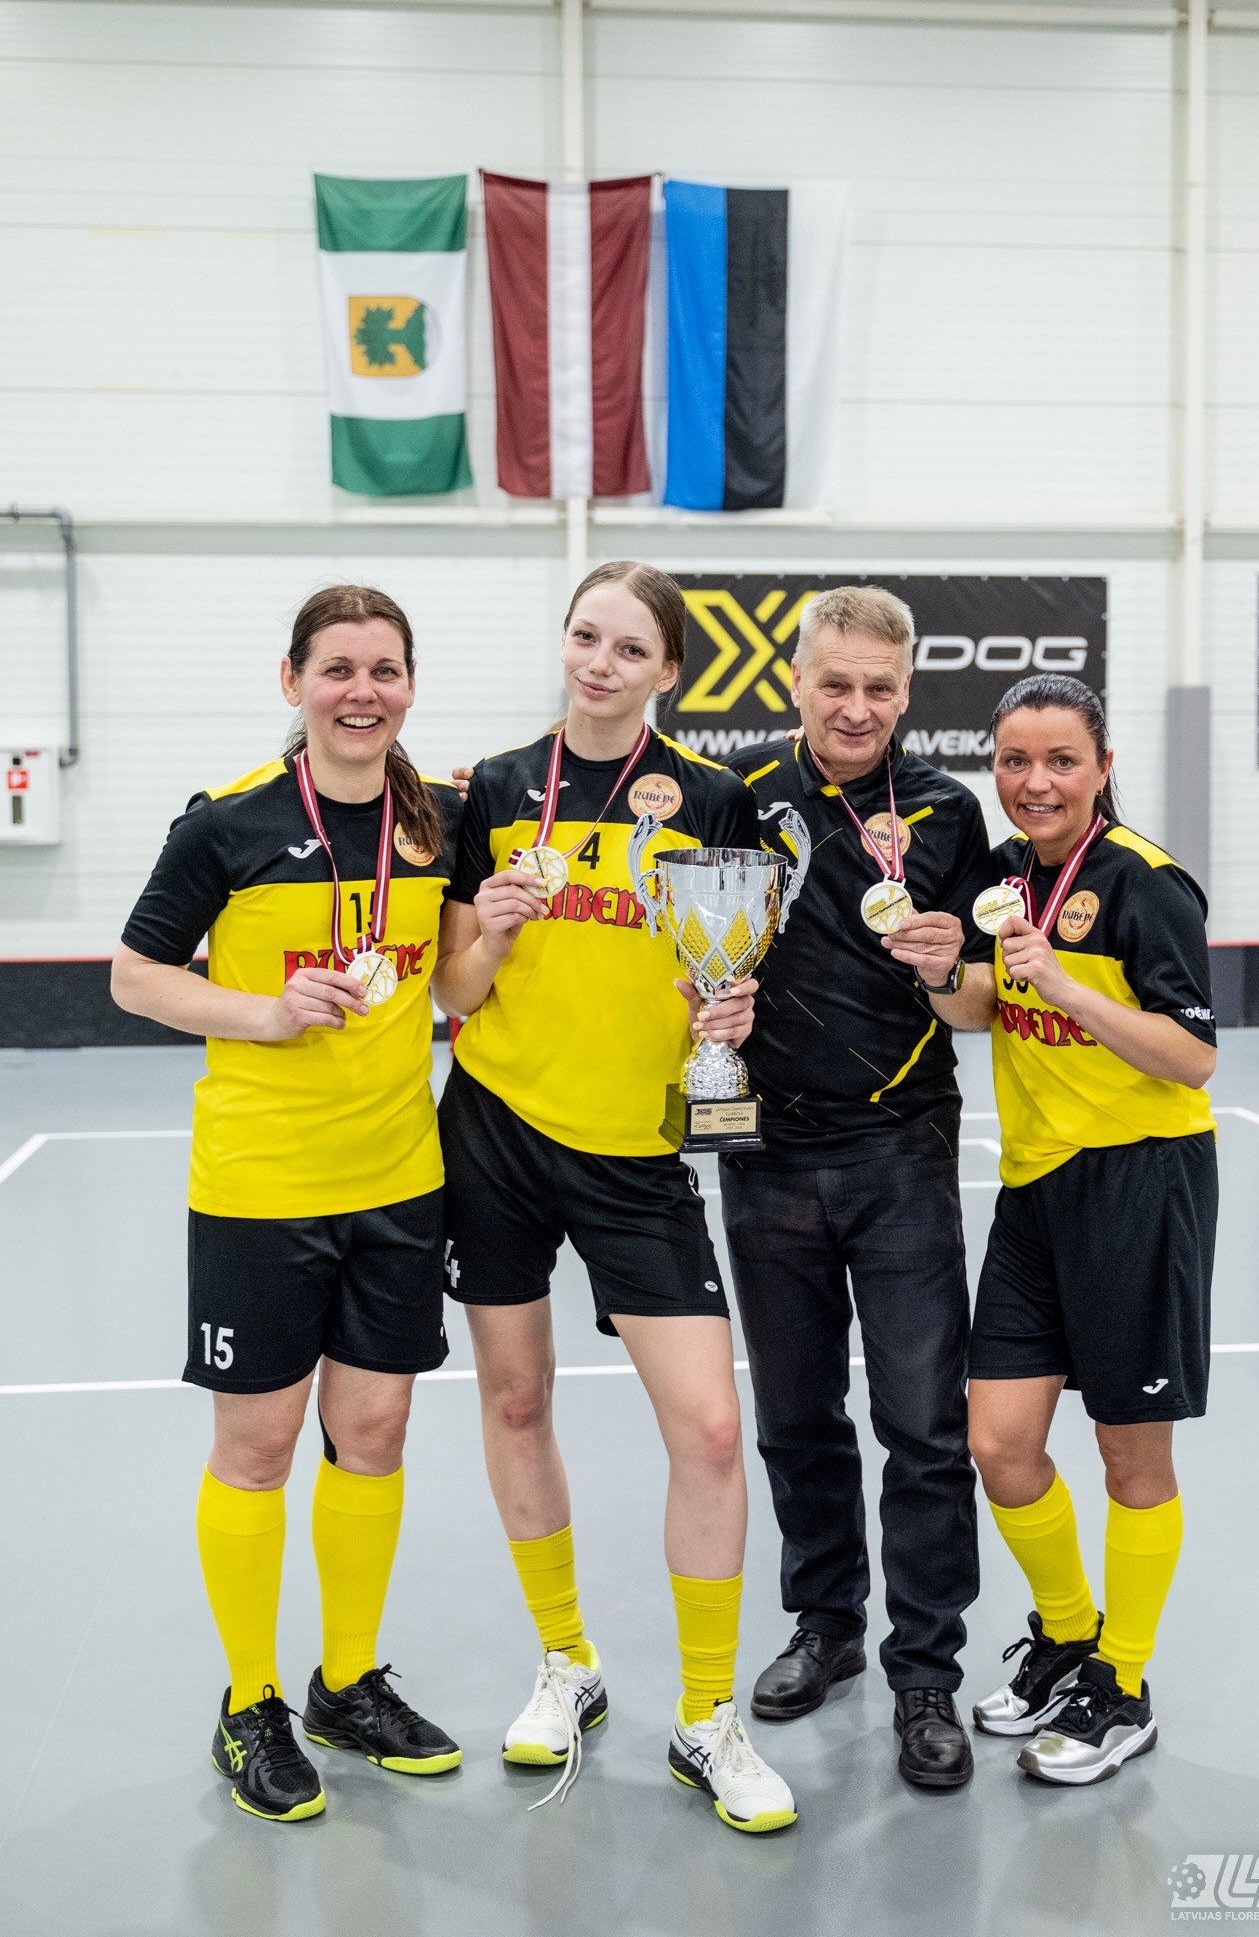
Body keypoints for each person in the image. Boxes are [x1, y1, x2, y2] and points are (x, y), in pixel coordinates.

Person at [430, 559, 798, 1835]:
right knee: (515, 1398)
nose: (599, 662)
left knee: (709, 1429)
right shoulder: (488, 788)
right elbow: (452, 992)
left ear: (668, 670)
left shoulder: (713, 798)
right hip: (496, 1132)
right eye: (584, 635)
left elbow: (731, 965)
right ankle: (565, 1659)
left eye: (629, 647)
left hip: (637, 1152)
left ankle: (705, 1712)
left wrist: (730, 1014)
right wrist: (494, 931)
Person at [112, 584, 464, 1823]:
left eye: (384, 669)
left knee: (374, 1434)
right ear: (293, 680)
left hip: (400, 1180)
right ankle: (250, 1699)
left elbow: (454, 975)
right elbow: (136, 975)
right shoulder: (227, 821)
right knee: (257, 1448)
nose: (361, 691)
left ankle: (346, 1681)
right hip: (261, 1184)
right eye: (338, 668)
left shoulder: (439, 820)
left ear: (409, 684)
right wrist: (262, 1012)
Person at [722, 585, 998, 1791]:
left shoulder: (946, 809)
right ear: (795, 681)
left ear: (905, 690)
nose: (854, 706)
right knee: (795, 1414)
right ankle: (825, 1621)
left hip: (901, 1147)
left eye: (878, 687)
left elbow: (977, 1004)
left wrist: (944, 968)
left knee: (924, 1425)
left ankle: (924, 1671)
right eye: (833, 682)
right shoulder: (737, 789)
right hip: (766, 1145)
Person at [960, 673, 1218, 1786]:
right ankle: (1067, 1636)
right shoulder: (1003, 876)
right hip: (1034, 1190)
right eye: (1013, 760)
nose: (1035, 781)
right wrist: (938, 971)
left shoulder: (1146, 882)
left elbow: (1192, 1055)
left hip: (1138, 1184)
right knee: (998, 1443)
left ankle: (1123, 1682)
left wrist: (1066, 987)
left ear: (1102, 766)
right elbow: (977, 1007)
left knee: (1127, 1452)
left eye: (1059, 759)